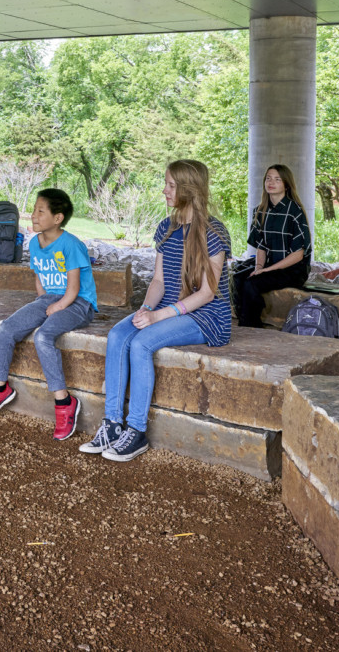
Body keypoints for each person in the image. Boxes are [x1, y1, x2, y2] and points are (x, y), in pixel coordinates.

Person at [81, 160, 231, 463]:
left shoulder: (214, 232)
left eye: (171, 185)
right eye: (166, 184)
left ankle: (136, 431)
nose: (165, 191)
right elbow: (159, 280)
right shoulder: (166, 227)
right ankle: (112, 424)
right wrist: (146, 309)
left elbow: (207, 292)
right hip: (165, 307)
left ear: (189, 189)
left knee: (141, 343)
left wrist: (157, 318)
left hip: (206, 316)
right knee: (117, 335)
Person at [0, 188, 97, 441]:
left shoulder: (71, 244)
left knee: (43, 336)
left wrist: (58, 306)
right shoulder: (34, 242)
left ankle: (64, 403)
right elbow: (40, 278)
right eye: (34, 210)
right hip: (51, 298)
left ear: (57, 218)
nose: (33, 215)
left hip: (78, 303)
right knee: (7, 329)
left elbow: (74, 288)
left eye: (41, 211)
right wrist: (42, 304)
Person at [233, 164, 312, 328]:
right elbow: (260, 246)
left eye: (277, 179)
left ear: (286, 184)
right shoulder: (260, 211)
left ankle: (250, 325)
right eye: (268, 178)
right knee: (239, 277)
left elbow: (298, 254)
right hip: (269, 265)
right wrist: (259, 267)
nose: (271, 182)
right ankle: (245, 316)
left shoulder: (294, 211)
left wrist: (266, 270)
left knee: (251, 284)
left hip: (293, 269)